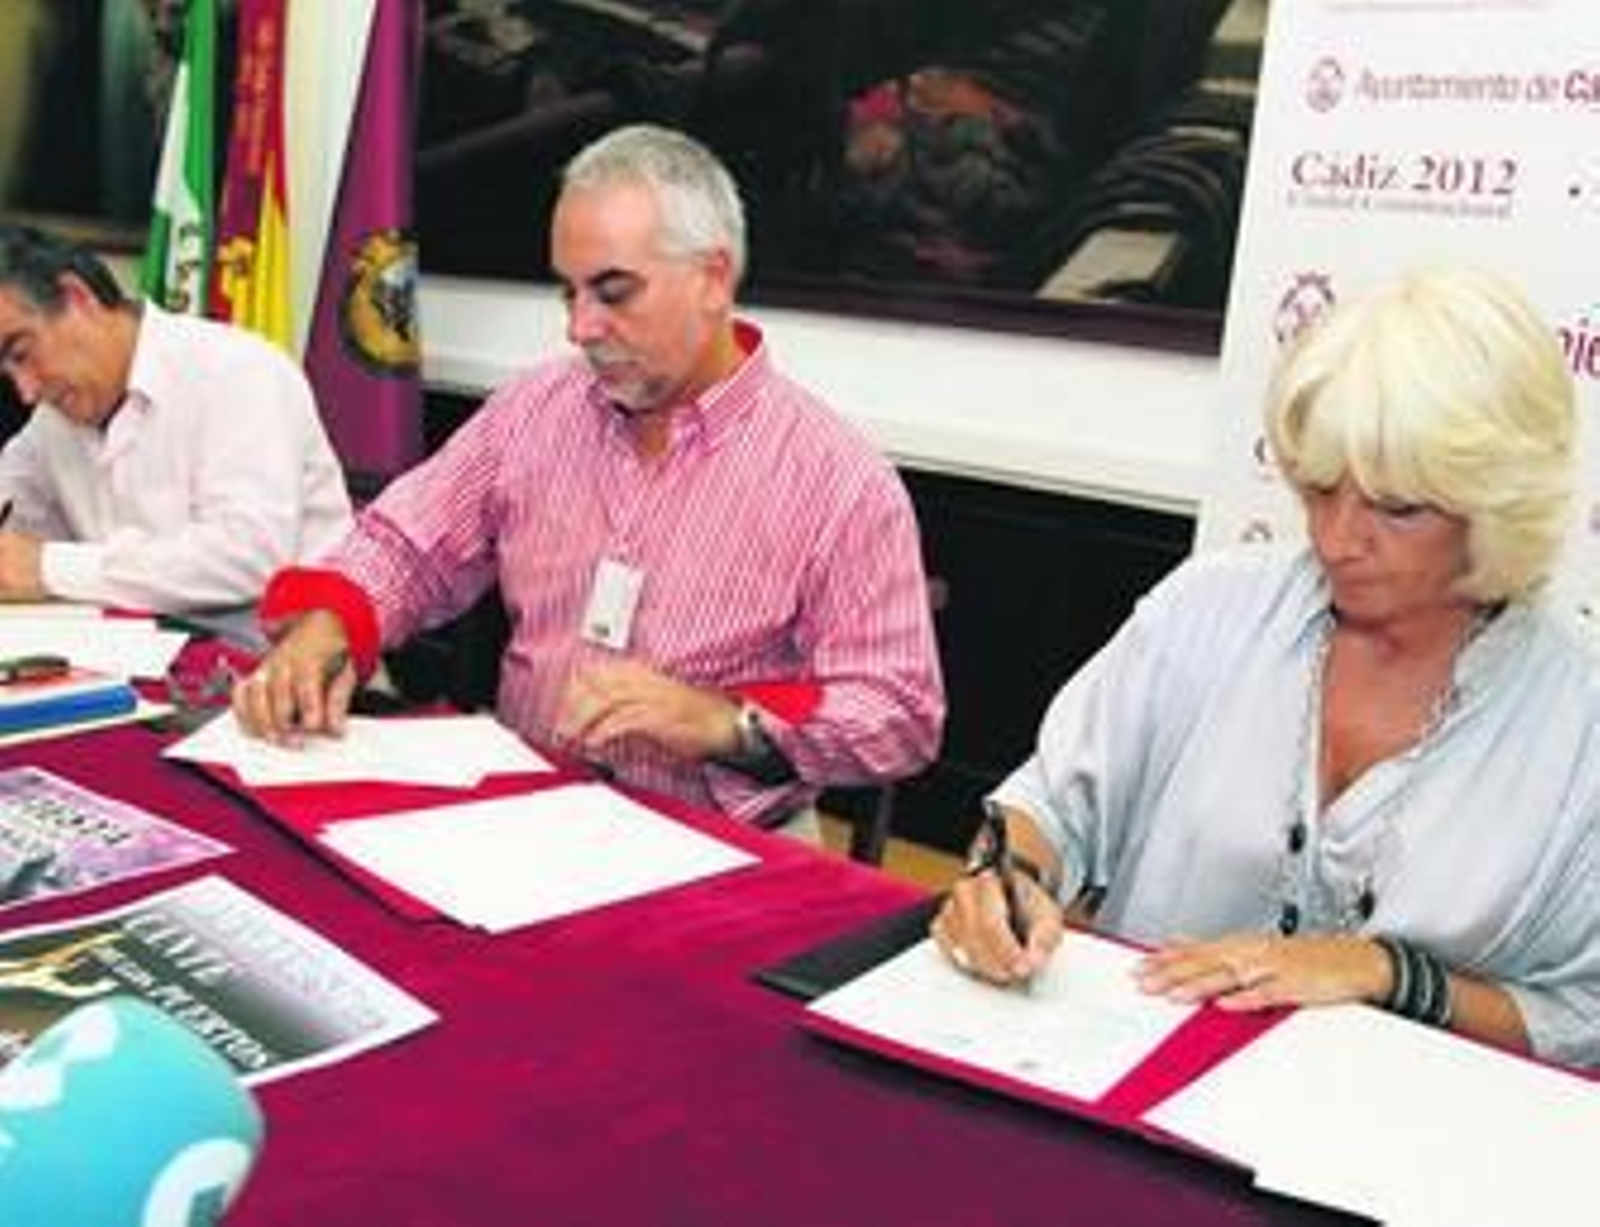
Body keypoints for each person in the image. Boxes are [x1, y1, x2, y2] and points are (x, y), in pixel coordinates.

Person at [933, 265, 1600, 1069]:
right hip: (1132, 1079)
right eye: (1319, 489)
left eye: (1396, 507)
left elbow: (1580, 1018)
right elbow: (1051, 806)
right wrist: (1003, 877)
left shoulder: (1576, 723)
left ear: (1497, 507)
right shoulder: (1212, 608)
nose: (1337, 539)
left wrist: (1389, 973)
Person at [233, 123, 944, 829]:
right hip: (524, 809)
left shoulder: (839, 480)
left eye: (614, 292)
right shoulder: (537, 407)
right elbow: (408, 547)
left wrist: (726, 722)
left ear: (714, 277)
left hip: (718, 845)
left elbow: (898, 712)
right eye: (568, 294)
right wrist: (334, 622)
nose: (580, 328)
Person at [0, 224, 353, 613]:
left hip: (279, 643)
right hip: (133, 644)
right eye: (8, 372)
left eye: (22, 354)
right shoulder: (56, 415)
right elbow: (13, 512)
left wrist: (50, 568)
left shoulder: (238, 371)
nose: (26, 392)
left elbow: (249, 558)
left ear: (77, 298)